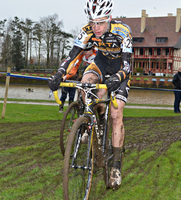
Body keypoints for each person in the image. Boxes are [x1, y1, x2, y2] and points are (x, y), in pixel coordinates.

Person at [47, 0, 132, 190]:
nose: (96, 27)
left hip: (120, 69)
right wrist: (59, 74)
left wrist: (118, 77)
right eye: (93, 22)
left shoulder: (123, 31)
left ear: (109, 18)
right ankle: (93, 121)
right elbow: (72, 56)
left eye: (100, 22)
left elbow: (128, 65)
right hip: (100, 63)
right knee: (85, 83)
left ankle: (116, 167)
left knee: (116, 115)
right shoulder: (87, 30)